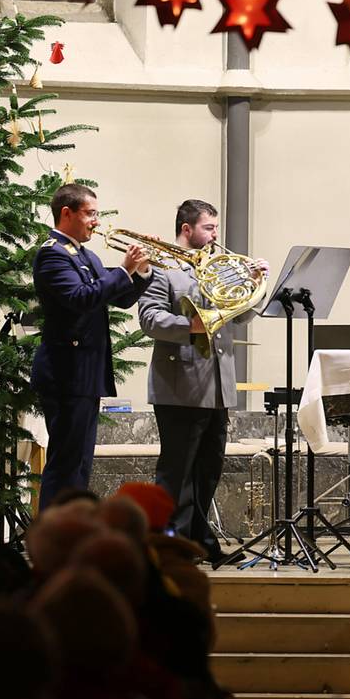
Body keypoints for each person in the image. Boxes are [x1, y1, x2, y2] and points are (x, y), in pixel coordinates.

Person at [137, 199, 267, 566]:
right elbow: (148, 319)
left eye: (214, 228)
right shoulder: (164, 268)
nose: (214, 236)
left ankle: (198, 539)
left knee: (208, 468)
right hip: (180, 383)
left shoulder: (217, 267)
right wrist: (191, 326)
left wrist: (254, 283)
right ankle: (168, 545)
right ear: (186, 229)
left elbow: (239, 314)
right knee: (177, 471)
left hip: (218, 384)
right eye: (208, 228)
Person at [31, 184, 152, 509]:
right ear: (67, 213)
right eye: (91, 214)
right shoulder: (52, 253)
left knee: (79, 465)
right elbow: (80, 299)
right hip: (65, 371)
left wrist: (141, 272)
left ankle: (69, 537)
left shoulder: (86, 255)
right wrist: (124, 270)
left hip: (83, 372)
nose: (96, 222)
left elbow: (121, 297)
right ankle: (55, 543)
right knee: (66, 464)